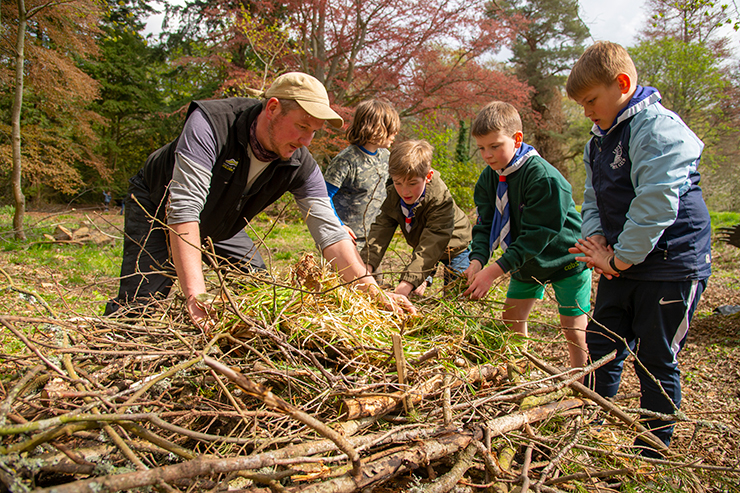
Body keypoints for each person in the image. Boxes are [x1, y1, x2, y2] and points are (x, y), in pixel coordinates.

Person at [105, 72, 415, 324]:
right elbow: (183, 209)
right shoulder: (210, 125)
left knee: (259, 287)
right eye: (302, 126)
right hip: (158, 208)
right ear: (273, 108)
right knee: (141, 302)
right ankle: (118, 361)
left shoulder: (299, 162)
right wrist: (196, 297)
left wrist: (374, 293)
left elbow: (332, 235)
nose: (306, 141)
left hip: (221, 220)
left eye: (314, 131)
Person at [565, 41, 712, 455]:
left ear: (623, 84)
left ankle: (652, 447)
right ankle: (592, 423)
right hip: (621, 260)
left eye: (592, 100)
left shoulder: (658, 129)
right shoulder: (598, 140)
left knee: (655, 357)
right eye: (581, 104)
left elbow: (655, 202)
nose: (587, 110)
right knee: (603, 343)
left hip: (671, 262)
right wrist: (597, 241)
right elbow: (594, 197)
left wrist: (618, 257)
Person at [463, 101, 590, 371]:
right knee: (512, 318)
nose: (487, 155)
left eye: (495, 145)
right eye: (482, 148)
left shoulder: (542, 178)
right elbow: (484, 225)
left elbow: (538, 235)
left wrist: (494, 272)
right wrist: (477, 261)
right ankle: (519, 371)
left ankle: (583, 382)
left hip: (565, 259)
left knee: (573, 328)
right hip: (524, 262)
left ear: (517, 139)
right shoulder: (489, 179)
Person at [360, 140, 472, 297]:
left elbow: (432, 243)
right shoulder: (394, 193)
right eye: (398, 183)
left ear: (428, 176)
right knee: (415, 288)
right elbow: (380, 231)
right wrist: (365, 267)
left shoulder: (440, 198)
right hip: (423, 244)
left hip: (454, 246)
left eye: (412, 183)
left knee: (456, 298)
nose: (405, 191)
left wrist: (406, 284)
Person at [324, 99, 400, 250]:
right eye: (391, 129)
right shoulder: (346, 160)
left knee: (374, 275)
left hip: (373, 242)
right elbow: (322, 197)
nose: (395, 134)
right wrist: (338, 226)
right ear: (376, 128)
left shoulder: (386, 156)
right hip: (346, 242)